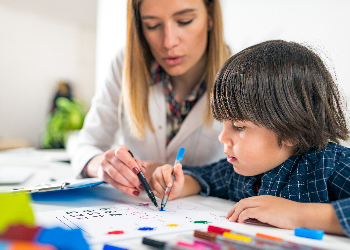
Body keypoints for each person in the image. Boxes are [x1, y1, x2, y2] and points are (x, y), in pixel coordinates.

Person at [150, 40, 350, 236]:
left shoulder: (330, 165)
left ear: (291, 132)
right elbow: (207, 177)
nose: (223, 137)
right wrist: (180, 184)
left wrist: (298, 214)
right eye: (223, 124)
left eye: (238, 127)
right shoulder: (242, 171)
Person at [70, 0, 230, 197]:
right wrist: (103, 166)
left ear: (211, 16)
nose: (168, 42)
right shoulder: (125, 66)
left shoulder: (244, 76)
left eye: (185, 21)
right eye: (152, 25)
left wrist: (188, 179)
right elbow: (86, 145)